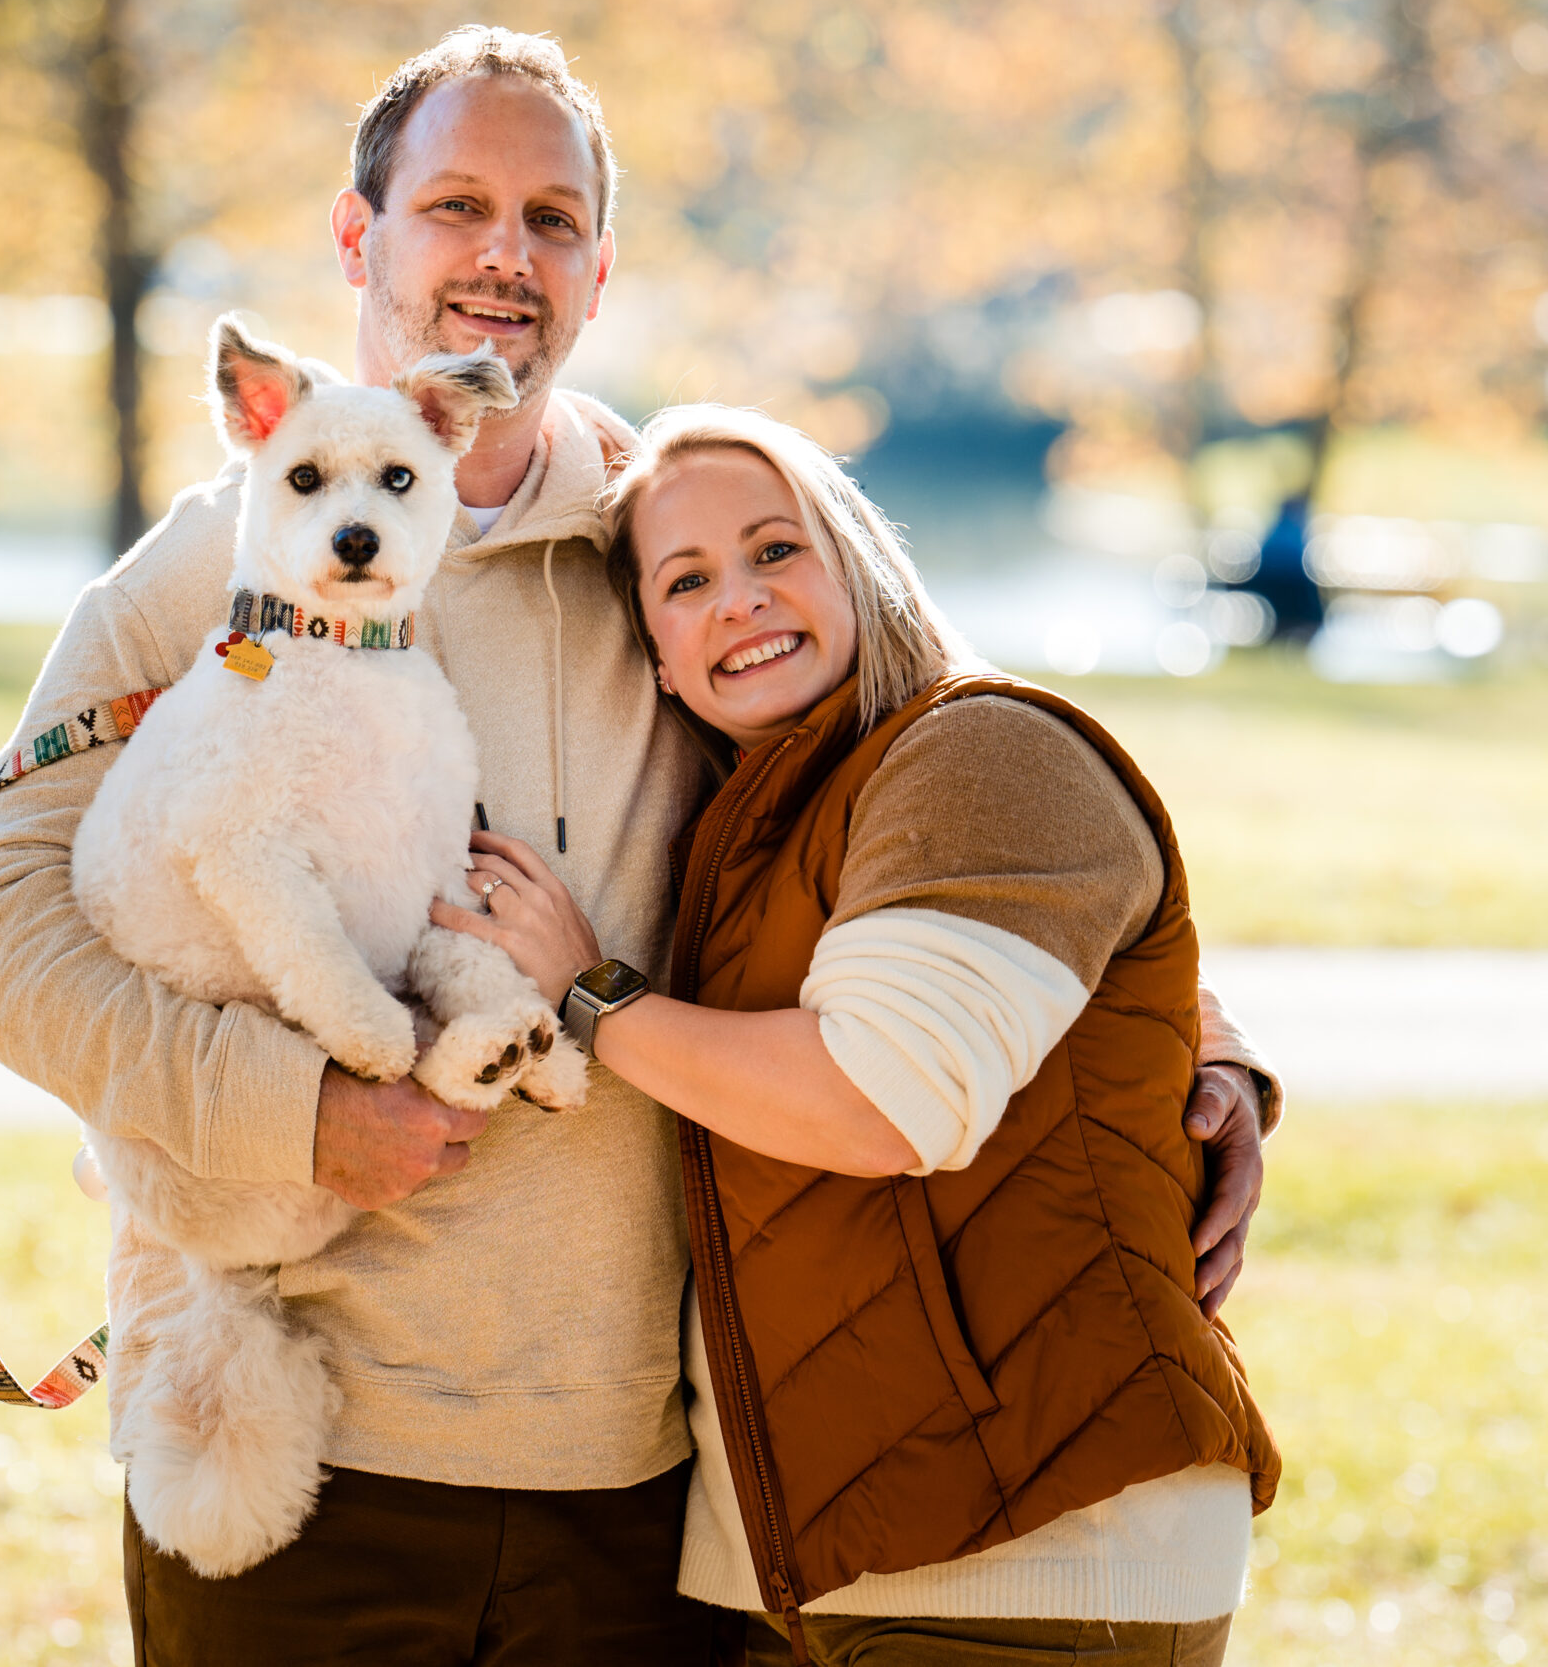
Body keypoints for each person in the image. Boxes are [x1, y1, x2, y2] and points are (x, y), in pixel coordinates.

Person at [0, 26, 1278, 1666]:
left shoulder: (685, 537)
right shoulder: (225, 561)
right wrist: (297, 1109)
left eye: (552, 220)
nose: (504, 256)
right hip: (294, 1453)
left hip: (638, 1471)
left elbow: (964, 778)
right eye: (458, 206)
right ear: (361, 238)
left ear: (600, 269)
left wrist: (1206, 1057)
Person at [444, 405, 1279, 1667]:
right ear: (655, 658)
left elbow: (878, 1101)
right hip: (816, 1559)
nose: (738, 597)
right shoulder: (759, 813)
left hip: (1033, 1550)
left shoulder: (973, 749)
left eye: (776, 549)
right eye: (685, 580)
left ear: (861, 564)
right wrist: (1219, 1064)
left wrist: (592, 998)